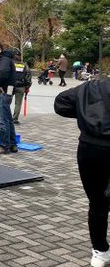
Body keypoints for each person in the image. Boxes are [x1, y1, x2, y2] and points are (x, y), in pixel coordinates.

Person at [54, 79, 110, 267]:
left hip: (89, 148)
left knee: (97, 202)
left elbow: (60, 103)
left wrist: (84, 115)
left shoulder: (90, 86)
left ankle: (99, 251)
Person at [0, 41, 17, 155]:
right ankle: (12, 144)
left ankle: (4, 145)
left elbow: (4, 72)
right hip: (8, 91)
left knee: (3, 120)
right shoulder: (5, 59)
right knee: (8, 119)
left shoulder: (3, 60)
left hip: (3, 91)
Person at [12, 52, 32, 125]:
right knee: (18, 104)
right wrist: (27, 87)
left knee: (7, 102)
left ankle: (6, 117)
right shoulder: (24, 65)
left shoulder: (10, 64)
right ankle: (14, 119)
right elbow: (28, 76)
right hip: (21, 87)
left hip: (10, 87)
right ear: (20, 57)